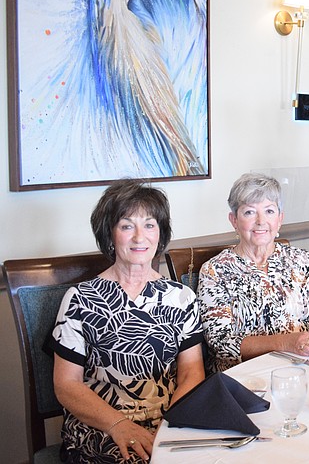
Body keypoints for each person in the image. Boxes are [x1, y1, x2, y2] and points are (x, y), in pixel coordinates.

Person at [52, 180, 205, 463]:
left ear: (160, 234)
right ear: (109, 235)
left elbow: (191, 374)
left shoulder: (181, 298)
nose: (139, 237)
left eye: (149, 225)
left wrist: (171, 425)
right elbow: (66, 384)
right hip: (103, 426)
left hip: (170, 420)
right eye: (126, 226)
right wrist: (120, 425)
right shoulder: (80, 299)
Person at [198, 173, 309, 372]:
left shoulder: (303, 260)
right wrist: (286, 342)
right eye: (249, 212)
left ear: (280, 219)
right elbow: (221, 343)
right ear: (234, 221)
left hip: (307, 368)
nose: (261, 221)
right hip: (246, 379)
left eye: (269, 211)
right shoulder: (215, 270)